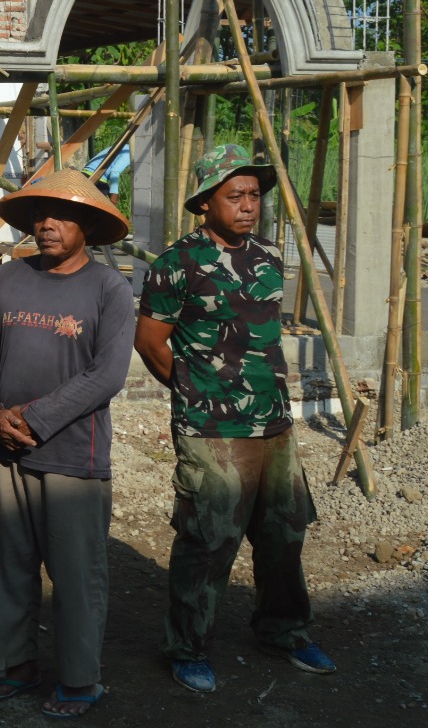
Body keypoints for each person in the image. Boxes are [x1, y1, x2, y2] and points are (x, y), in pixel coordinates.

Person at [135, 144, 336, 694]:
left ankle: (285, 630)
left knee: (284, 533)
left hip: (273, 424)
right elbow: (152, 341)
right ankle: (188, 647)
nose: (248, 205)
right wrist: (196, 392)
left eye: (253, 195)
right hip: (212, 429)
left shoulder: (269, 255)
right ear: (205, 203)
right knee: (209, 540)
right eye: (235, 195)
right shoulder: (178, 264)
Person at [0, 169, 134, 720]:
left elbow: (107, 374)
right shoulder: (9, 279)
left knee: (76, 572)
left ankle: (81, 680)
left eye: (61, 215)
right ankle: (14, 666)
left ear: (87, 224)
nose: (47, 225)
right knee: (8, 565)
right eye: (40, 215)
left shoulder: (109, 288)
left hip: (72, 457)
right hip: (5, 451)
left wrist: (36, 418)